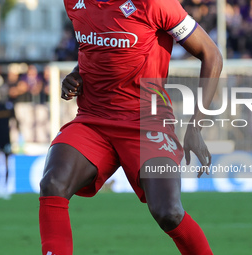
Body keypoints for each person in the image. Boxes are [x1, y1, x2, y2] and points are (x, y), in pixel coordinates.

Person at [39, 0, 222, 254]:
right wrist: (77, 74)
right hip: (93, 119)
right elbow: (95, 47)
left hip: (148, 121)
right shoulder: (74, 2)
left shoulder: (155, 4)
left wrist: (195, 126)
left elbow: (211, 54)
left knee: (168, 212)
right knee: (53, 183)